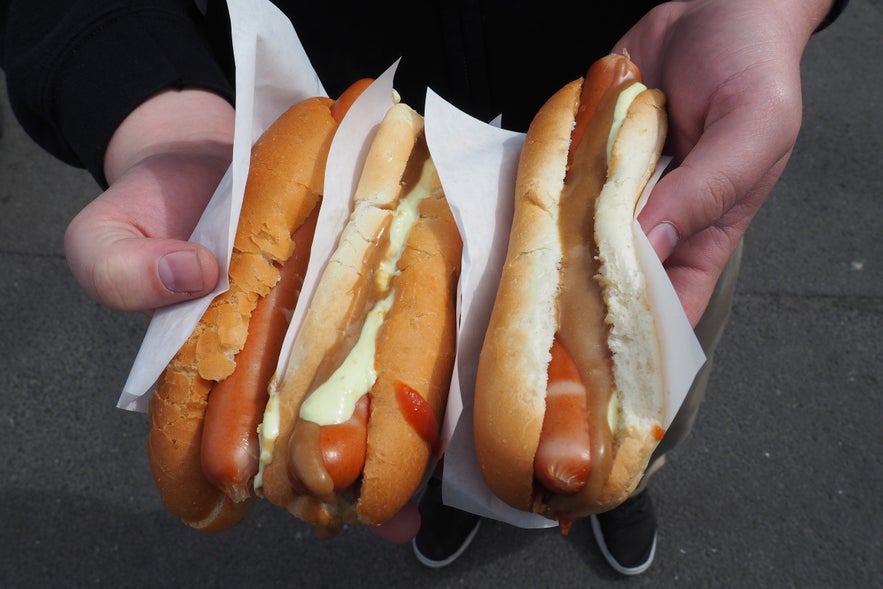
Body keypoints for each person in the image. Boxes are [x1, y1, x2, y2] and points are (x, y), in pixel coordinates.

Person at [0, 0, 849, 576]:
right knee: (456, 449)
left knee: (647, 395)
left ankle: (614, 493)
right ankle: (459, 494)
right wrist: (151, 110)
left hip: (657, 117)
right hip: (335, 110)